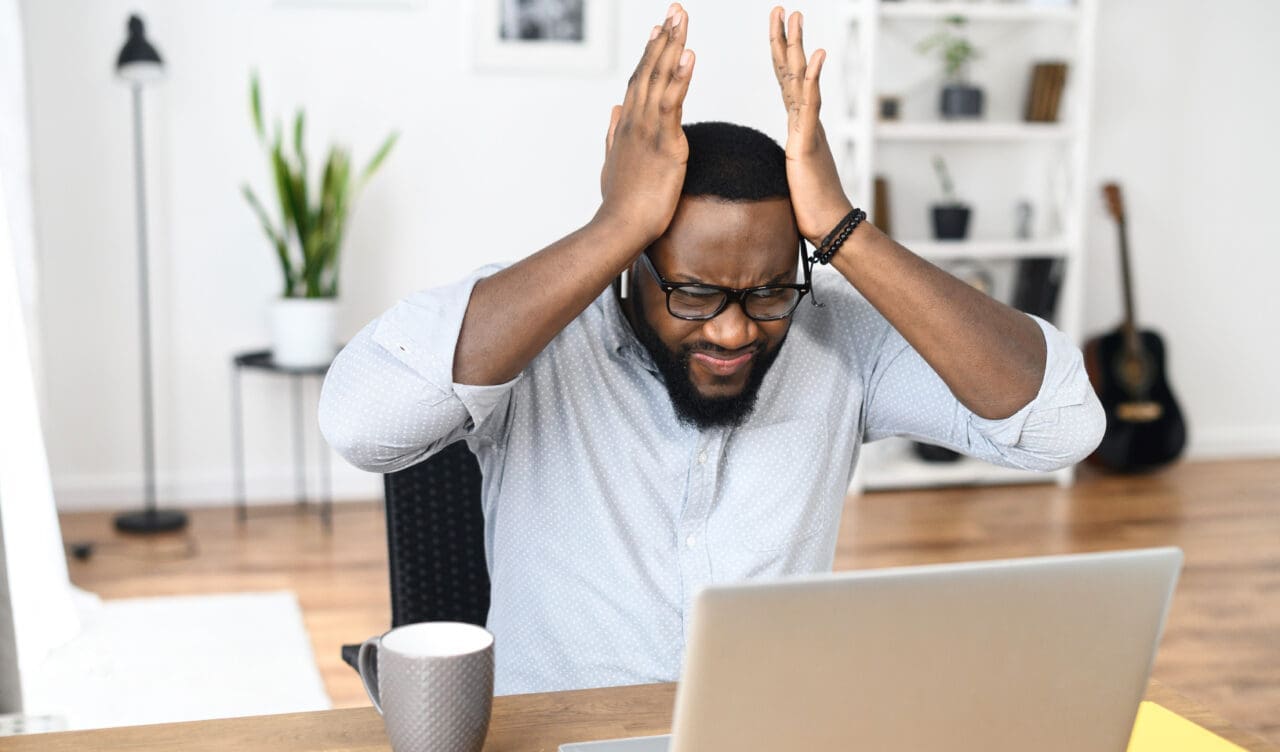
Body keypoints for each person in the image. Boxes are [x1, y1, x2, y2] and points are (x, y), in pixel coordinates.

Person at [319, 5, 1105, 695]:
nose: (733, 331)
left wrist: (842, 230)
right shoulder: (535, 329)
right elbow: (361, 424)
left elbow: (1062, 426)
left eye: (766, 293)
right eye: (693, 294)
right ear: (634, 262)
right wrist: (614, 223)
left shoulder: (838, 337)